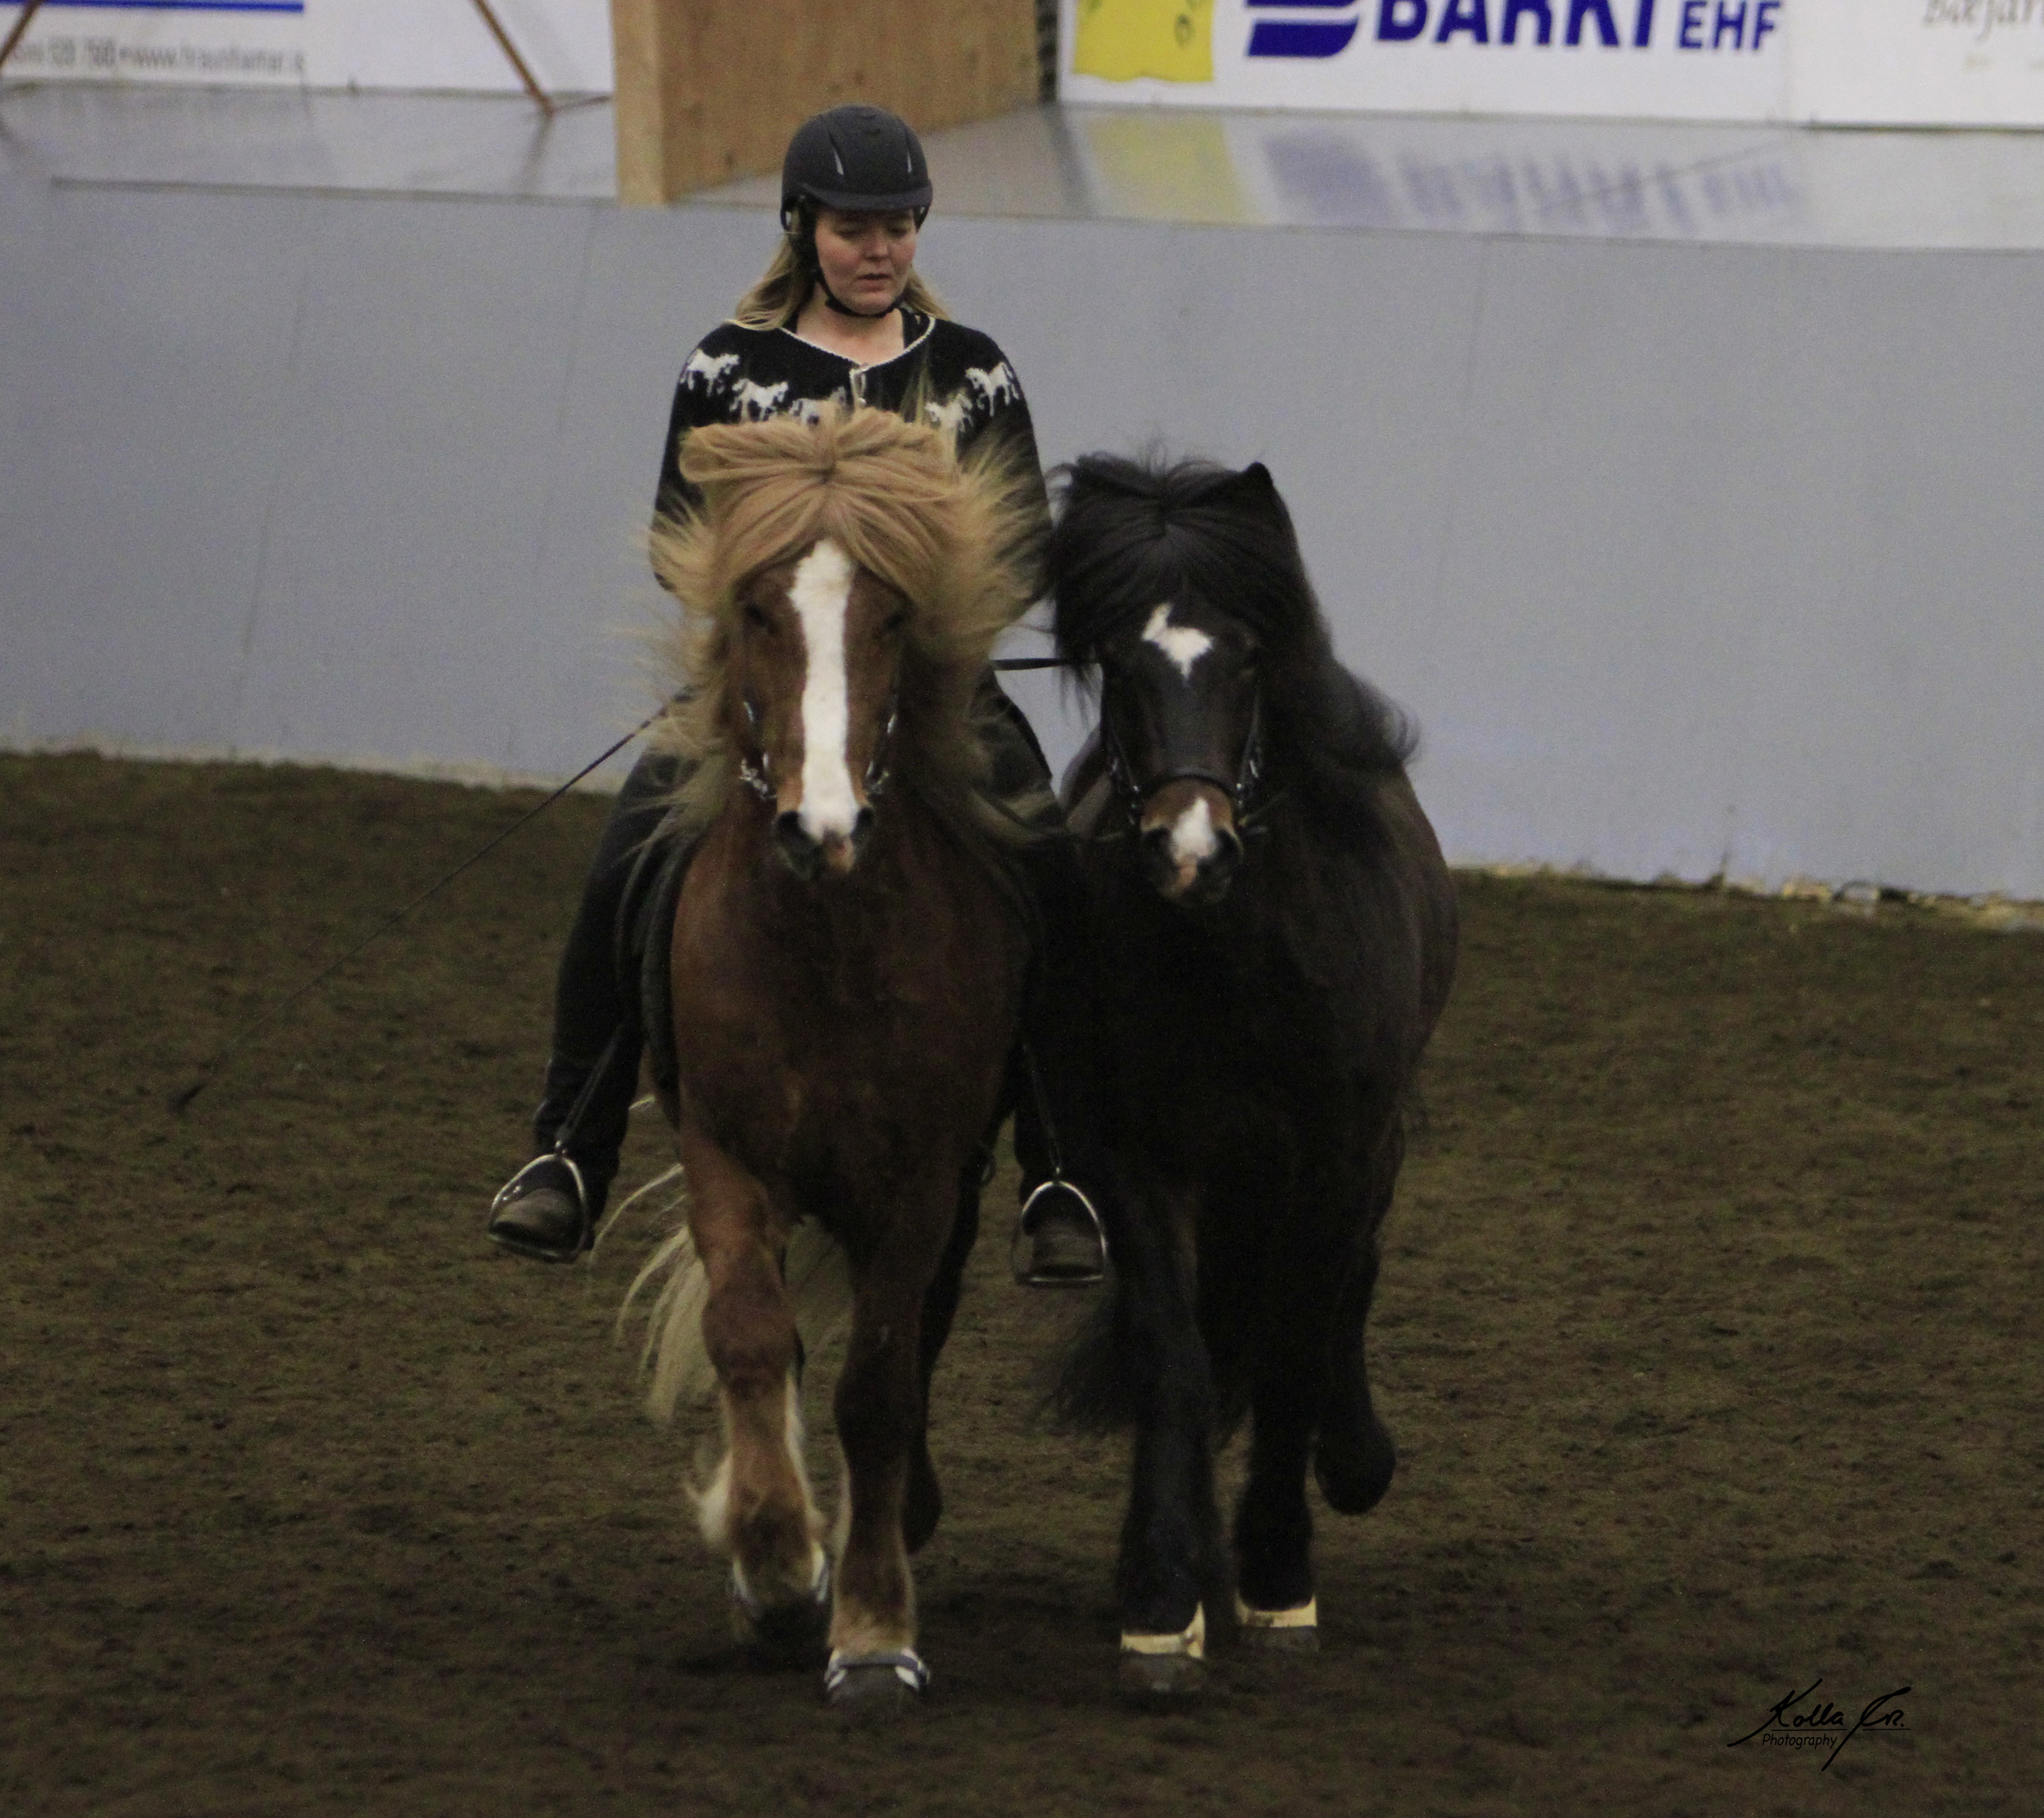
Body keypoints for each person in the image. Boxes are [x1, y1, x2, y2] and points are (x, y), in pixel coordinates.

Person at [486, 103, 1108, 1286]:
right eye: (854, 227)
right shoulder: (729, 365)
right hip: (766, 687)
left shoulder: (972, 373)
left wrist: (927, 611)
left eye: (899, 227)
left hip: (927, 696)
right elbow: (684, 536)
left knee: (1051, 871)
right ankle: (569, 1148)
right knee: (626, 861)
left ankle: (1061, 1167)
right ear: (803, 227)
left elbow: (1021, 546)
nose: (878, 250)